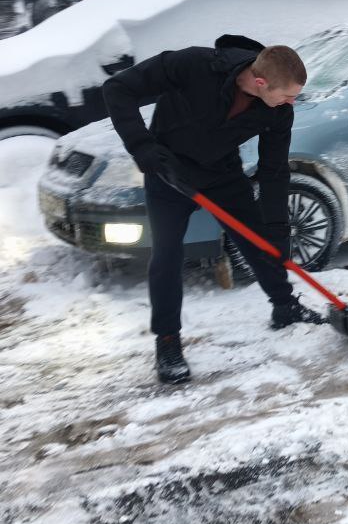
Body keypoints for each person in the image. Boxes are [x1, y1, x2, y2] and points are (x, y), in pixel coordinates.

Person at [103, 36, 324, 385]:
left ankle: (285, 306)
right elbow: (117, 89)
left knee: (258, 241)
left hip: (221, 174)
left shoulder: (279, 109)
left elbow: (274, 170)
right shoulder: (193, 65)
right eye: (288, 94)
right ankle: (168, 341)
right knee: (167, 255)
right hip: (169, 173)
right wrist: (143, 148)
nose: (292, 102)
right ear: (261, 81)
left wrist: (277, 230)